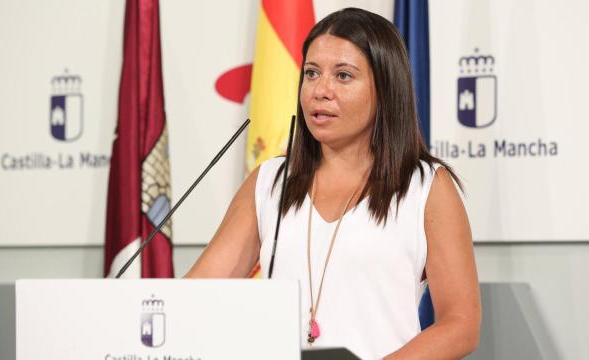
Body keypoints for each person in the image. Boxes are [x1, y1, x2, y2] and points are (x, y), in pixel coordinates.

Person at [186, 7, 481, 359]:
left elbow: (461, 323)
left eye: (343, 76)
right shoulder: (269, 182)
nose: (320, 90)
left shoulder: (426, 187)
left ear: (385, 89)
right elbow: (195, 298)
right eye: (311, 73)